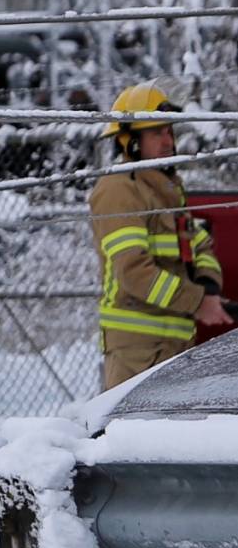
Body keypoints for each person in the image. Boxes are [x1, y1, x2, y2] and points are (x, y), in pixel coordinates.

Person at [91, 77, 226, 389]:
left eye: (169, 131)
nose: (168, 142)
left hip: (177, 345)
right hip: (138, 353)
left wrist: (208, 287)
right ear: (130, 141)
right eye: (156, 133)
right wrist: (197, 302)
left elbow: (200, 247)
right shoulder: (119, 189)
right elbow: (134, 271)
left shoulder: (168, 190)